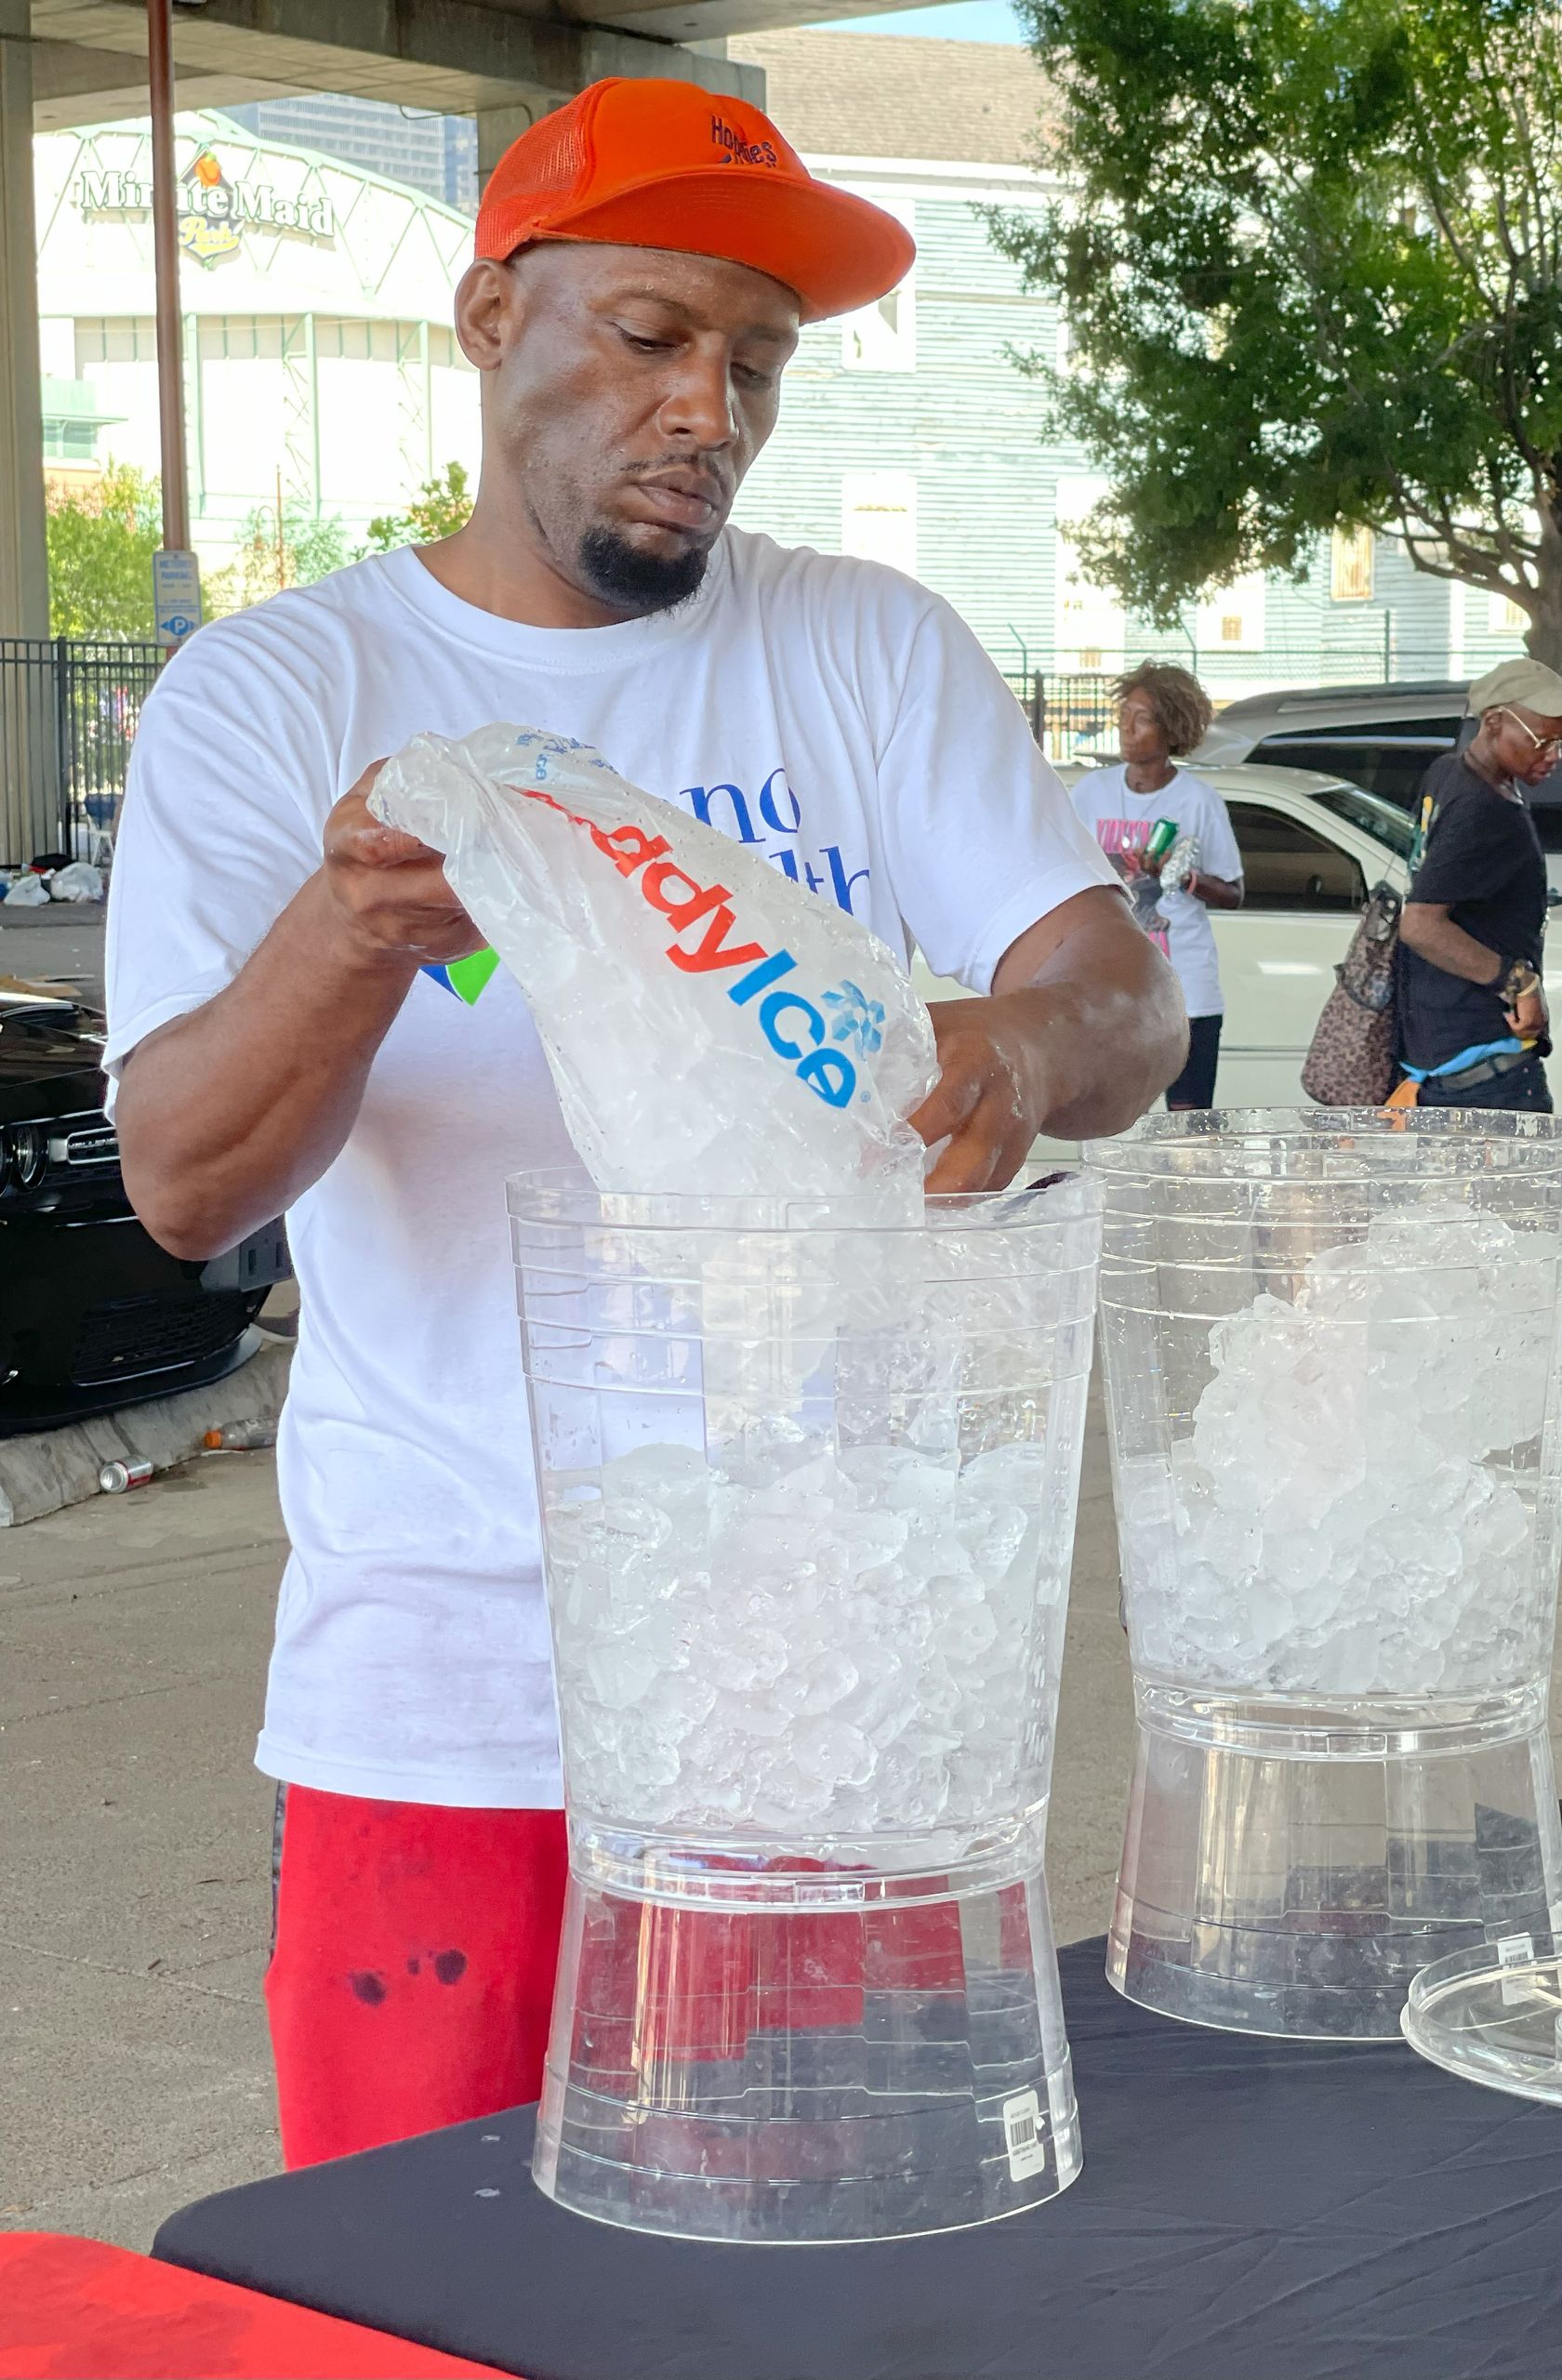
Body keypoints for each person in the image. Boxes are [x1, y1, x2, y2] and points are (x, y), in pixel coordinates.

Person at [104, 78, 1185, 2169]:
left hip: (827, 1675)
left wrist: (1026, 1052)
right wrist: (353, 931)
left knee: (838, 2262)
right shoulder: (283, 690)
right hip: (450, 1688)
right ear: (489, 317)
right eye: (651, 334)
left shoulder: (859, 647)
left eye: (757, 364)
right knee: (418, 2278)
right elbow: (185, 1182)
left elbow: (1120, 995)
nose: (709, 409)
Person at [1394, 656, 1562, 1112]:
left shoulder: (1449, 772)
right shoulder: (1484, 808)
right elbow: (1420, 925)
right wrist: (1519, 982)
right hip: (1485, 1066)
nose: (1554, 756)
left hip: (1445, 1048)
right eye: (1542, 741)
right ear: (1494, 722)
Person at [1070, 662, 1242, 1109]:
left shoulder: (1198, 800)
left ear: (1172, 729)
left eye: (1142, 718)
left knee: (1188, 1123)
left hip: (1187, 988)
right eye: (1124, 714)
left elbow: (1233, 892)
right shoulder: (1090, 792)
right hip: (1108, 985)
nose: (1127, 728)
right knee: (1108, 1115)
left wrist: (1182, 876)